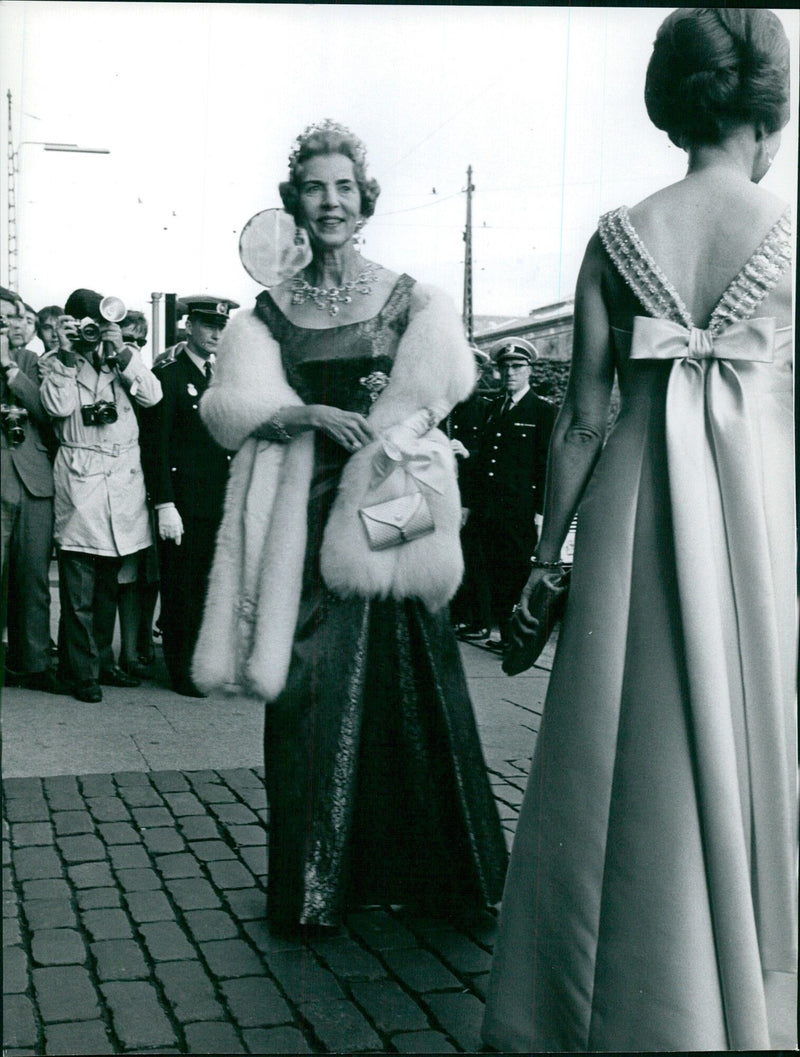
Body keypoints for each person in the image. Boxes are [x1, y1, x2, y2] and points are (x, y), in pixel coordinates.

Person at [482, 8, 796, 1051]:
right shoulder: (789, 234)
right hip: (752, 524)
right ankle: (739, 992)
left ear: (672, 106)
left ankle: (597, 1002)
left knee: (615, 750)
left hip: (631, 518)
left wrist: (541, 556)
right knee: (750, 734)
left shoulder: (617, 236)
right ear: (770, 105)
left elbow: (579, 417)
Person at [192, 120, 507, 935]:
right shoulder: (266, 312)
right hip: (300, 520)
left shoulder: (408, 297)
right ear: (293, 201)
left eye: (343, 189)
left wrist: (398, 440)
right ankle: (314, 883)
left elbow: (441, 392)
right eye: (313, 188)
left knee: (411, 675)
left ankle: (435, 875)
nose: (329, 202)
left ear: (365, 201)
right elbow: (231, 412)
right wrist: (303, 411)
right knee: (303, 689)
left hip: (390, 503)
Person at [39, 289, 162, 703]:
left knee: (108, 585)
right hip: (81, 480)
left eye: (98, 325)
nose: (91, 333)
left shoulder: (120, 358)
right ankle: (81, 673)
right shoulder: (56, 364)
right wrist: (67, 355)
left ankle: (103, 663)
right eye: (84, 326)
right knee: (78, 592)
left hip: (121, 485)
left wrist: (122, 351)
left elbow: (153, 396)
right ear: (71, 326)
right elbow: (57, 408)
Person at [139, 295, 238, 696]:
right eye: (207, 325)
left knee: (213, 586)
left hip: (219, 498)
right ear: (188, 327)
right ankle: (182, 670)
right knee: (183, 589)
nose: (216, 333)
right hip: (184, 503)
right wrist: (164, 502)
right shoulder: (169, 375)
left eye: (221, 326)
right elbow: (156, 445)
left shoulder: (225, 374)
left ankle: (208, 663)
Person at [460, 338, 555, 648]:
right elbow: (485, 460)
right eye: (505, 368)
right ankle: (503, 631)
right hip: (490, 506)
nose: (511, 373)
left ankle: (516, 636)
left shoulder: (542, 411)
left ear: (529, 370)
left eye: (517, 367)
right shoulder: (494, 408)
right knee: (493, 570)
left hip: (520, 508)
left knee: (515, 571)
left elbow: (546, 465)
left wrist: (542, 511)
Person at [0, 287, 60, 692]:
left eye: (9, 317)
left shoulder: (31, 362)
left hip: (34, 481)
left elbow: (45, 412)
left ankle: (35, 662)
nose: (5, 324)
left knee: (34, 577)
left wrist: (8, 367)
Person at [114, 309, 160, 677]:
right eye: (127, 338)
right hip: (118, 480)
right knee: (119, 574)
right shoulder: (108, 369)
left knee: (146, 574)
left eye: (139, 341)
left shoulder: (146, 374)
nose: (134, 347)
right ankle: (121, 651)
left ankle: (139, 646)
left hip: (145, 481)